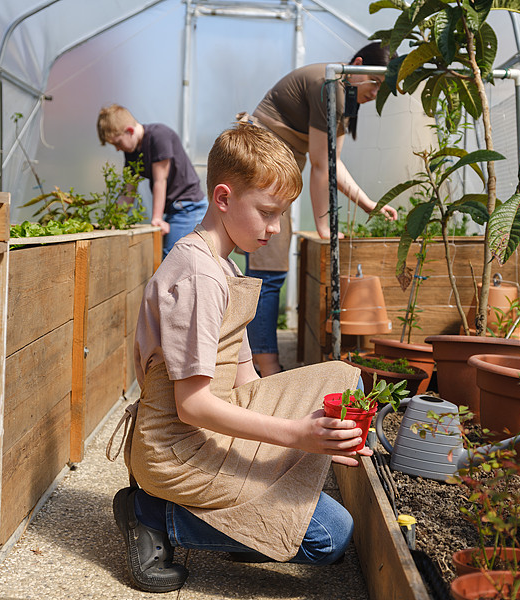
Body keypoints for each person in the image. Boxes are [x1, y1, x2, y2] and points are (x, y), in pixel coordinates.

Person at [106, 122, 366, 593]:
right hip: (177, 452)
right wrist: (296, 435)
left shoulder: (224, 261)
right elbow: (193, 407)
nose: (275, 228)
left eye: (283, 214)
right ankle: (150, 512)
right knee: (331, 535)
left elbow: (246, 378)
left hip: (211, 432)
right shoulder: (198, 276)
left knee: (344, 379)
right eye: (267, 212)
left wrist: (327, 430)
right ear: (223, 198)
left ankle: (234, 515)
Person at [238, 42, 399, 377]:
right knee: (268, 269)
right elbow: (320, 164)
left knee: (269, 267)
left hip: (277, 163)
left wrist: (370, 205)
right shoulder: (333, 87)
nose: (376, 93)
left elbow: (330, 162)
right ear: (357, 66)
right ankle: (264, 363)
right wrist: (325, 226)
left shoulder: (344, 91)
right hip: (264, 159)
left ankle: (258, 357)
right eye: (375, 83)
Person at [97, 104, 208, 257]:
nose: (117, 149)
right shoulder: (131, 151)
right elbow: (128, 192)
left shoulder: (158, 136)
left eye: (117, 143)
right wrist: (112, 221)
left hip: (188, 207)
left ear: (129, 131)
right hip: (174, 209)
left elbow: (160, 181)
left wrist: (156, 218)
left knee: (172, 257)